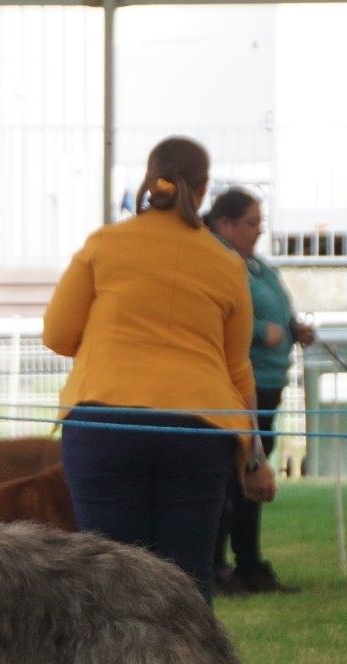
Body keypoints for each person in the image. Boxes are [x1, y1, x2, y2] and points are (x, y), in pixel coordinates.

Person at [43, 137, 276, 602]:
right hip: (198, 432)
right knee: (188, 588)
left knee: (110, 590)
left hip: (104, 425)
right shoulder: (228, 263)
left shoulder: (103, 244)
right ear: (205, 188)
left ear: (150, 178)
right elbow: (238, 371)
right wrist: (254, 457)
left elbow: (57, 336)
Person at [206, 187, 315, 594]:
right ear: (225, 223)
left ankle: (249, 565)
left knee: (254, 479)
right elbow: (215, 316)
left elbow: (279, 311)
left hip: (269, 385)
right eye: (251, 223)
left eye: (259, 223)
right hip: (234, 390)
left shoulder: (258, 267)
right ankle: (218, 568)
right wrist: (256, 332)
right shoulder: (215, 263)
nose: (258, 231)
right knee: (229, 482)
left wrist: (293, 328)